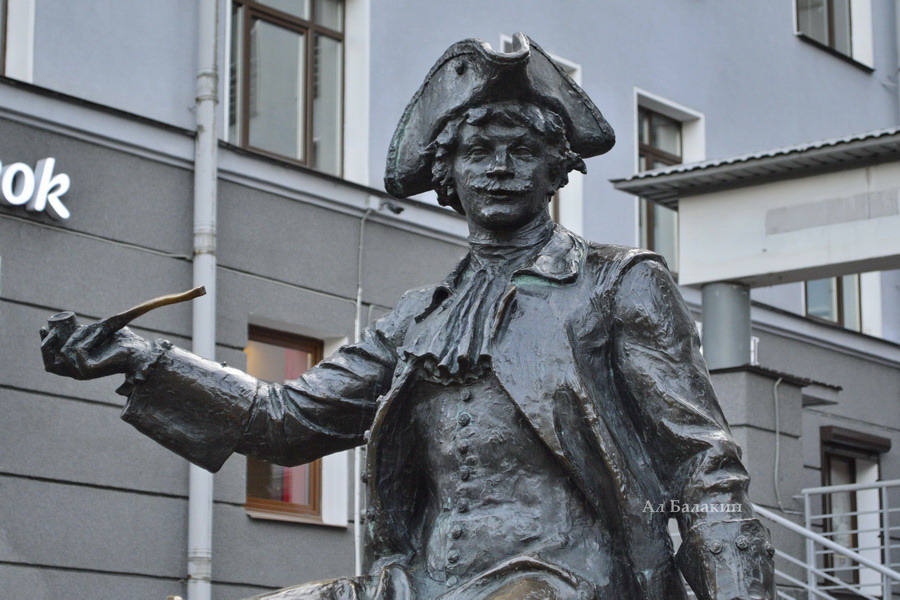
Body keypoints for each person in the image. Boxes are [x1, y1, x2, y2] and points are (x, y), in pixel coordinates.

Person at [41, 34, 775, 600]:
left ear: (557, 169)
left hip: (567, 585)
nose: (500, 167)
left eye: (523, 151)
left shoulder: (618, 285)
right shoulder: (420, 318)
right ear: (446, 173)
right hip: (421, 584)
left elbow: (703, 468)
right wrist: (144, 360)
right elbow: (286, 420)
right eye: (478, 151)